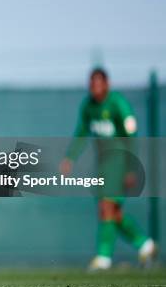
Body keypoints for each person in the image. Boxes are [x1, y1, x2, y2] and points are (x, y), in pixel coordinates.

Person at [61, 67, 156, 271]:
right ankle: (145, 244)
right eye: (92, 83)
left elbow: (131, 136)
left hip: (120, 161)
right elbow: (81, 132)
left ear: (107, 84)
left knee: (105, 207)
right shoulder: (88, 107)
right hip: (103, 164)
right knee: (114, 213)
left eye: (98, 83)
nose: (95, 87)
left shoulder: (117, 104)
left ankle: (103, 258)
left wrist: (131, 168)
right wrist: (70, 158)